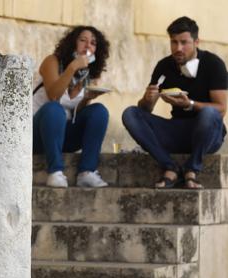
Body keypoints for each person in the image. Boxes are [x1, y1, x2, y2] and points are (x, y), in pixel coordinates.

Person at [122, 16, 227, 189]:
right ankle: (169, 166)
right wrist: (147, 99)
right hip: (175, 130)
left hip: (207, 134)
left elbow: (221, 109)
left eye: (184, 42)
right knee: (130, 114)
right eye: (174, 42)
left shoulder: (213, 64)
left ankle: (192, 169)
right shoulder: (164, 66)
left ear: (196, 42)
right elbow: (145, 110)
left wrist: (189, 104)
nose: (178, 48)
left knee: (208, 113)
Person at [33, 25, 111, 188]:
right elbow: (53, 95)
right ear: (72, 44)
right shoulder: (52, 62)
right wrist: (73, 67)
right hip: (37, 133)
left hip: (64, 136)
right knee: (54, 109)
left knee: (99, 111)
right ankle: (55, 171)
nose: (88, 45)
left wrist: (86, 100)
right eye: (83, 40)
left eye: (93, 43)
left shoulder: (88, 76)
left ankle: (87, 172)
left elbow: (75, 112)